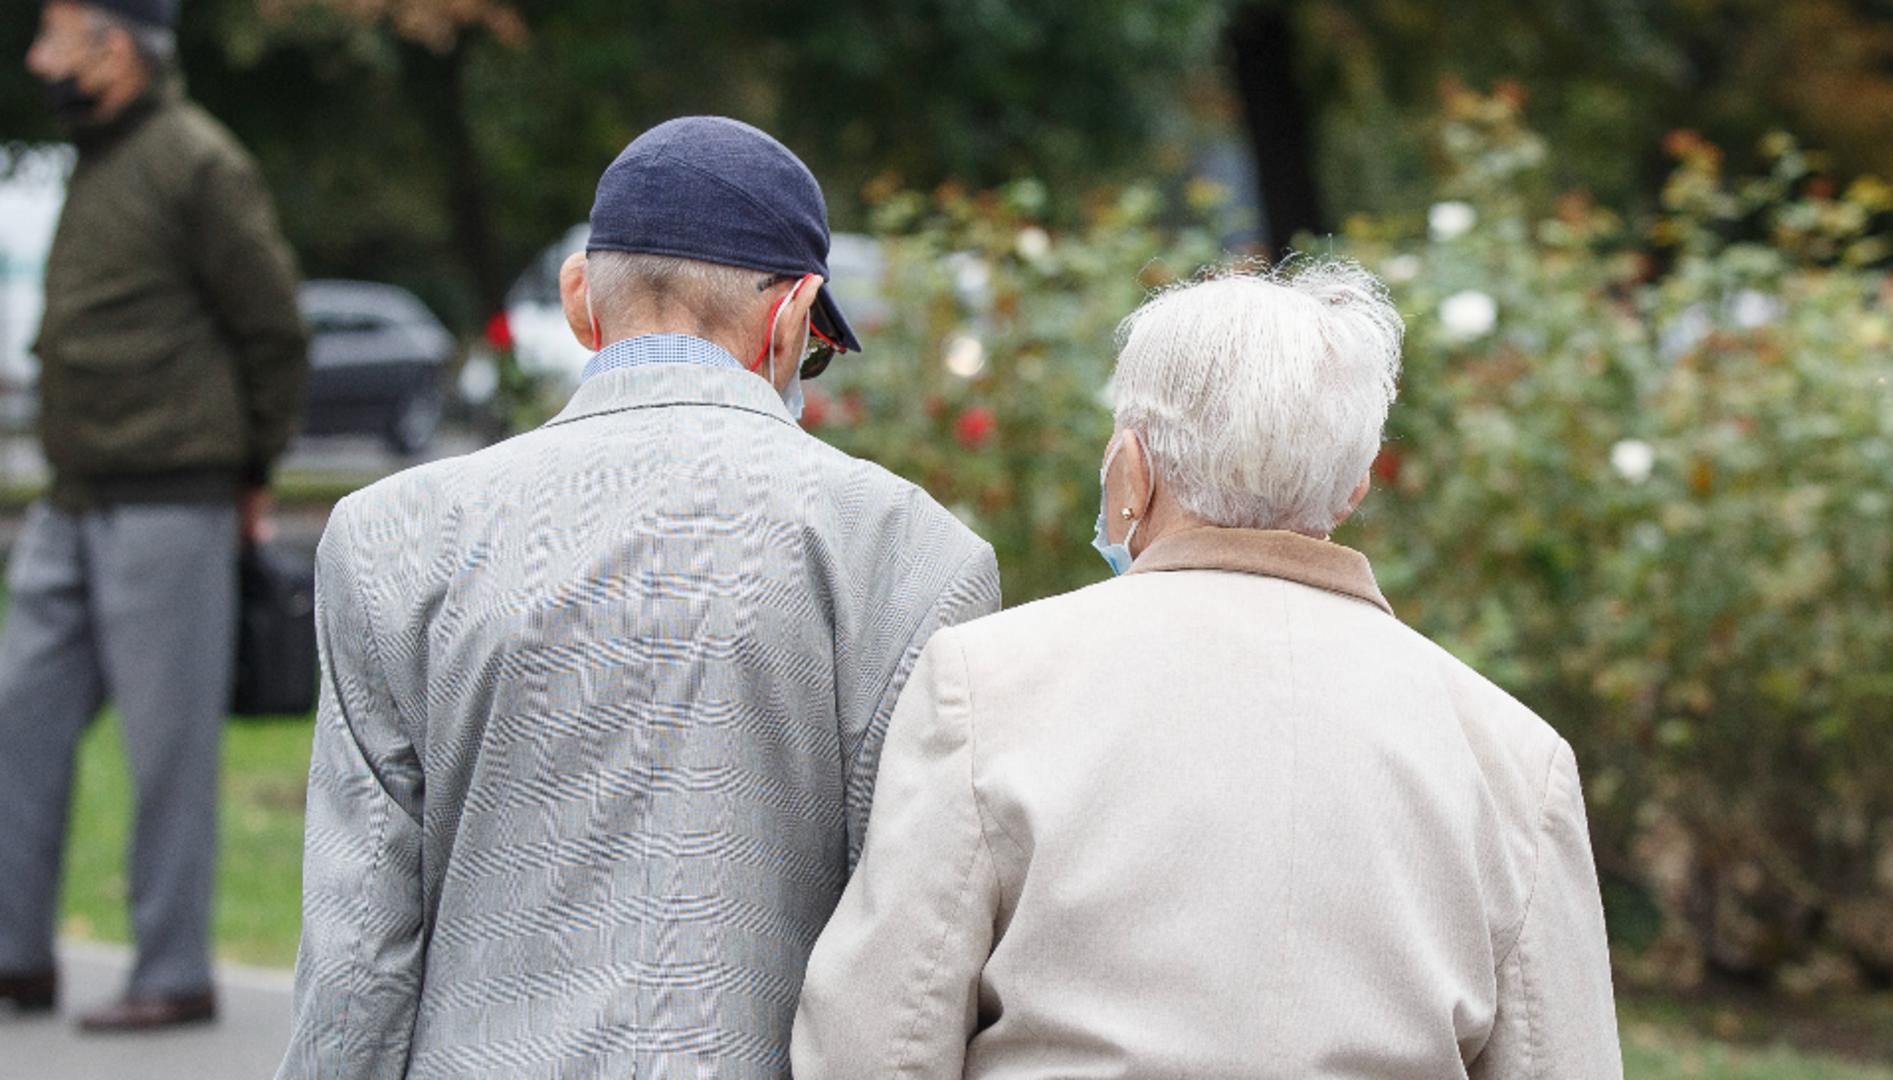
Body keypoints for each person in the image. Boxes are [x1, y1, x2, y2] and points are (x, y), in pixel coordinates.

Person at [276, 116, 1001, 1079]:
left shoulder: (392, 536)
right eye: (816, 351)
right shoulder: (911, 552)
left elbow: (357, 955)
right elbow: (915, 953)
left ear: (581, 300)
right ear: (794, 317)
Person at [793, 262, 1624, 1079]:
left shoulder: (985, 685)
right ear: (1354, 488)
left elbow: (877, 1045)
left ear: (1131, 469)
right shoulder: (1516, 756)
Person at [0, 0, 308, 1032]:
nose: (38, 57)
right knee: (17, 724)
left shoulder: (196, 161)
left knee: (166, 749)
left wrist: (252, 471)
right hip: (73, 499)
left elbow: (272, 329)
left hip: (173, 500)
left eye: (54, 35)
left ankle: (173, 972)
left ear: (114, 47)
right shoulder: (97, 153)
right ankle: (16, 958)